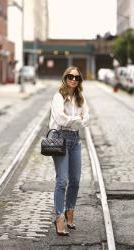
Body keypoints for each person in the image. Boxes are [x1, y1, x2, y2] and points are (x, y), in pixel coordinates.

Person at [49, 66, 89, 236]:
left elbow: (87, 119)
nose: (73, 79)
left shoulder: (80, 98)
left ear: (79, 81)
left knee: (75, 180)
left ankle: (70, 210)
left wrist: (72, 120)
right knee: (62, 180)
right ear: (65, 78)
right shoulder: (58, 97)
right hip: (60, 139)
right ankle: (59, 217)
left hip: (75, 140)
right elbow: (60, 119)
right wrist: (76, 119)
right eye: (70, 76)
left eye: (77, 77)